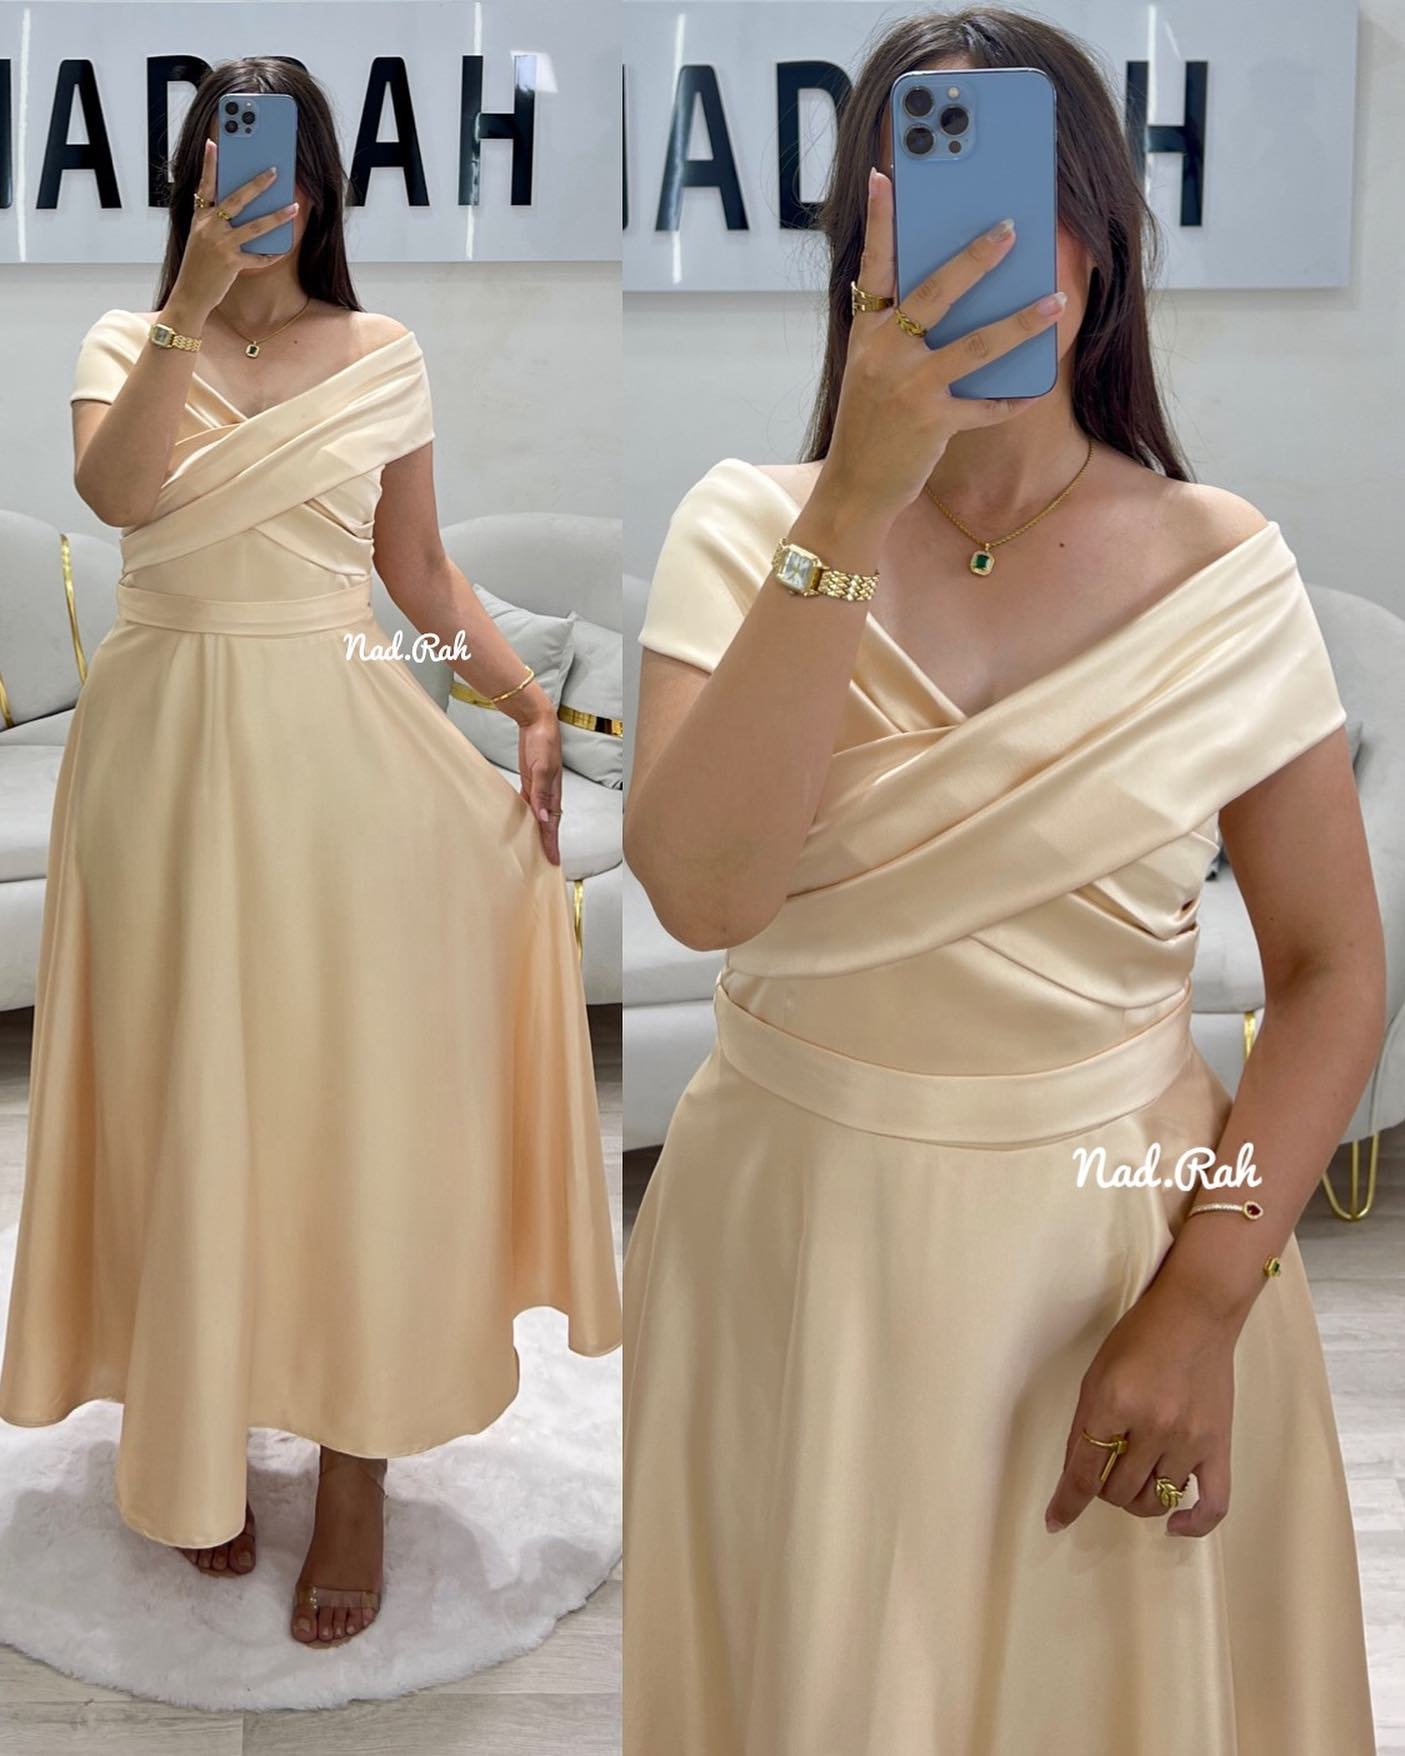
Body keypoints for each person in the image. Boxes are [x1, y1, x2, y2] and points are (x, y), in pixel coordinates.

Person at [622, 9, 1380, 1751]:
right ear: (857, 251)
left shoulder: (1221, 566)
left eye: (1030, 199)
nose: (982, 248)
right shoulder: (744, 527)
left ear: (1099, 247)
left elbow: (1333, 971)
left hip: (1114, 1249)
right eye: (924, 196)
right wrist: (849, 508)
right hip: (789, 1246)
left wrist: (1203, 1301)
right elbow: (703, 896)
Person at [0, 58, 621, 1650]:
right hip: (159, 762)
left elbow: (418, 573)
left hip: (342, 757)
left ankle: (357, 1468)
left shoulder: (383, 351)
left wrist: (526, 705)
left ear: (324, 181)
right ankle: (194, 1424)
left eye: (276, 158)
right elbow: (120, 497)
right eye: (224, 155)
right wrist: (189, 305)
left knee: (349, 1107)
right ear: (191, 178)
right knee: (181, 1094)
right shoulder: (124, 340)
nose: (252, 182)